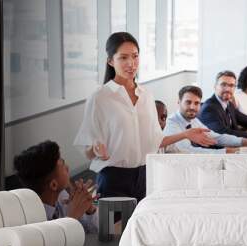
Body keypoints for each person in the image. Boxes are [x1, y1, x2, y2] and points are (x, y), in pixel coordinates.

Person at [74, 32, 215, 202]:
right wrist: (95, 149)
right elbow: (87, 147)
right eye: (123, 58)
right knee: (116, 229)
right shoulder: (100, 98)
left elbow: (155, 140)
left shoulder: (146, 95)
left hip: (145, 176)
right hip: (113, 179)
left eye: (135, 56)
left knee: (144, 227)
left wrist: (186, 134)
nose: (131, 63)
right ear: (111, 61)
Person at [13, 140, 98, 233]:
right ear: (54, 185)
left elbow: (97, 232)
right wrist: (72, 217)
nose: (67, 167)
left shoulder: (61, 196)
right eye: (62, 164)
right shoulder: (33, 221)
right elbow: (54, 245)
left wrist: (89, 209)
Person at [164, 85, 247, 154]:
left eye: (196, 103)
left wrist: (245, 142)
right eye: (188, 102)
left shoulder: (193, 120)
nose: (192, 107)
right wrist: (229, 151)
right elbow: (190, 152)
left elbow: (216, 137)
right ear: (178, 102)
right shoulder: (172, 124)